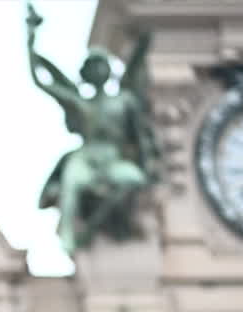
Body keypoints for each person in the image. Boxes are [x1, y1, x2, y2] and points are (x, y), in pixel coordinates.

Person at [26, 2, 158, 252]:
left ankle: (93, 226)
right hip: (87, 157)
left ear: (108, 72)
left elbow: (139, 135)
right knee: (71, 183)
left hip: (113, 158)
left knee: (134, 180)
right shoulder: (79, 103)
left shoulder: (124, 101)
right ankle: (67, 236)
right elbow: (40, 80)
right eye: (92, 67)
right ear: (85, 73)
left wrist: (147, 160)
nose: (97, 70)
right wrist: (30, 38)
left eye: (101, 66)